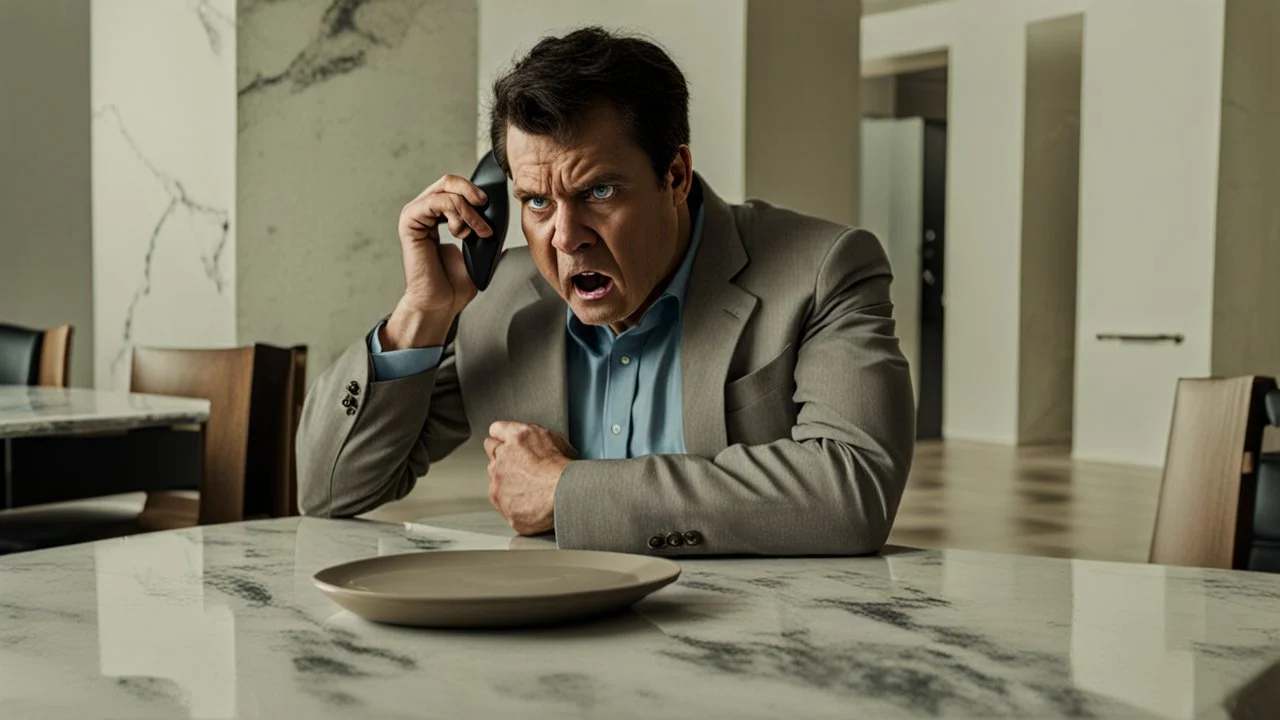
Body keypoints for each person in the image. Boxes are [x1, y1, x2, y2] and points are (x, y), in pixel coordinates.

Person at [296, 26, 915, 556]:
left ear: (674, 174)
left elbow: (851, 489)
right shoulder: (499, 298)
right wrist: (420, 314)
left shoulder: (823, 268)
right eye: (536, 201)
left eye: (598, 193)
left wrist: (567, 491)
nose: (565, 238)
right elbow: (330, 490)